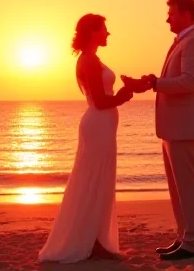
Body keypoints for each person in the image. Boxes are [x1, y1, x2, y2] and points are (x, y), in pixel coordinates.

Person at [38, 14, 134, 263]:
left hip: (103, 127)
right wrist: (124, 95)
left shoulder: (93, 59)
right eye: (104, 29)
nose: (108, 33)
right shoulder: (89, 61)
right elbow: (101, 102)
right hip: (98, 126)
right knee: (93, 182)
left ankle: (97, 240)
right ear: (92, 32)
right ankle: (90, 242)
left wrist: (129, 89)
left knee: (100, 183)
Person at [122, 0, 194, 261]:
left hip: (184, 128)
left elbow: (189, 82)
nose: (167, 18)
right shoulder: (182, 42)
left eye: (171, 13)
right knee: (177, 189)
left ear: (185, 14)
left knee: (188, 188)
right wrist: (150, 82)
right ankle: (185, 237)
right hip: (173, 129)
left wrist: (154, 83)